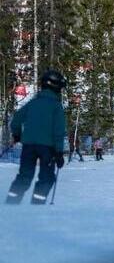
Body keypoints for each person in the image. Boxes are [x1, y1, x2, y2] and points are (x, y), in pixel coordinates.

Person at [5, 70, 67, 205]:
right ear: (55, 86)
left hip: (28, 146)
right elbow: (58, 131)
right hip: (48, 148)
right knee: (46, 178)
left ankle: (10, 204)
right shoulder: (56, 106)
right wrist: (59, 152)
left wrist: (17, 135)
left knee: (24, 177)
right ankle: (37, 207)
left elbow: (16, 120)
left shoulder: (32, 103)